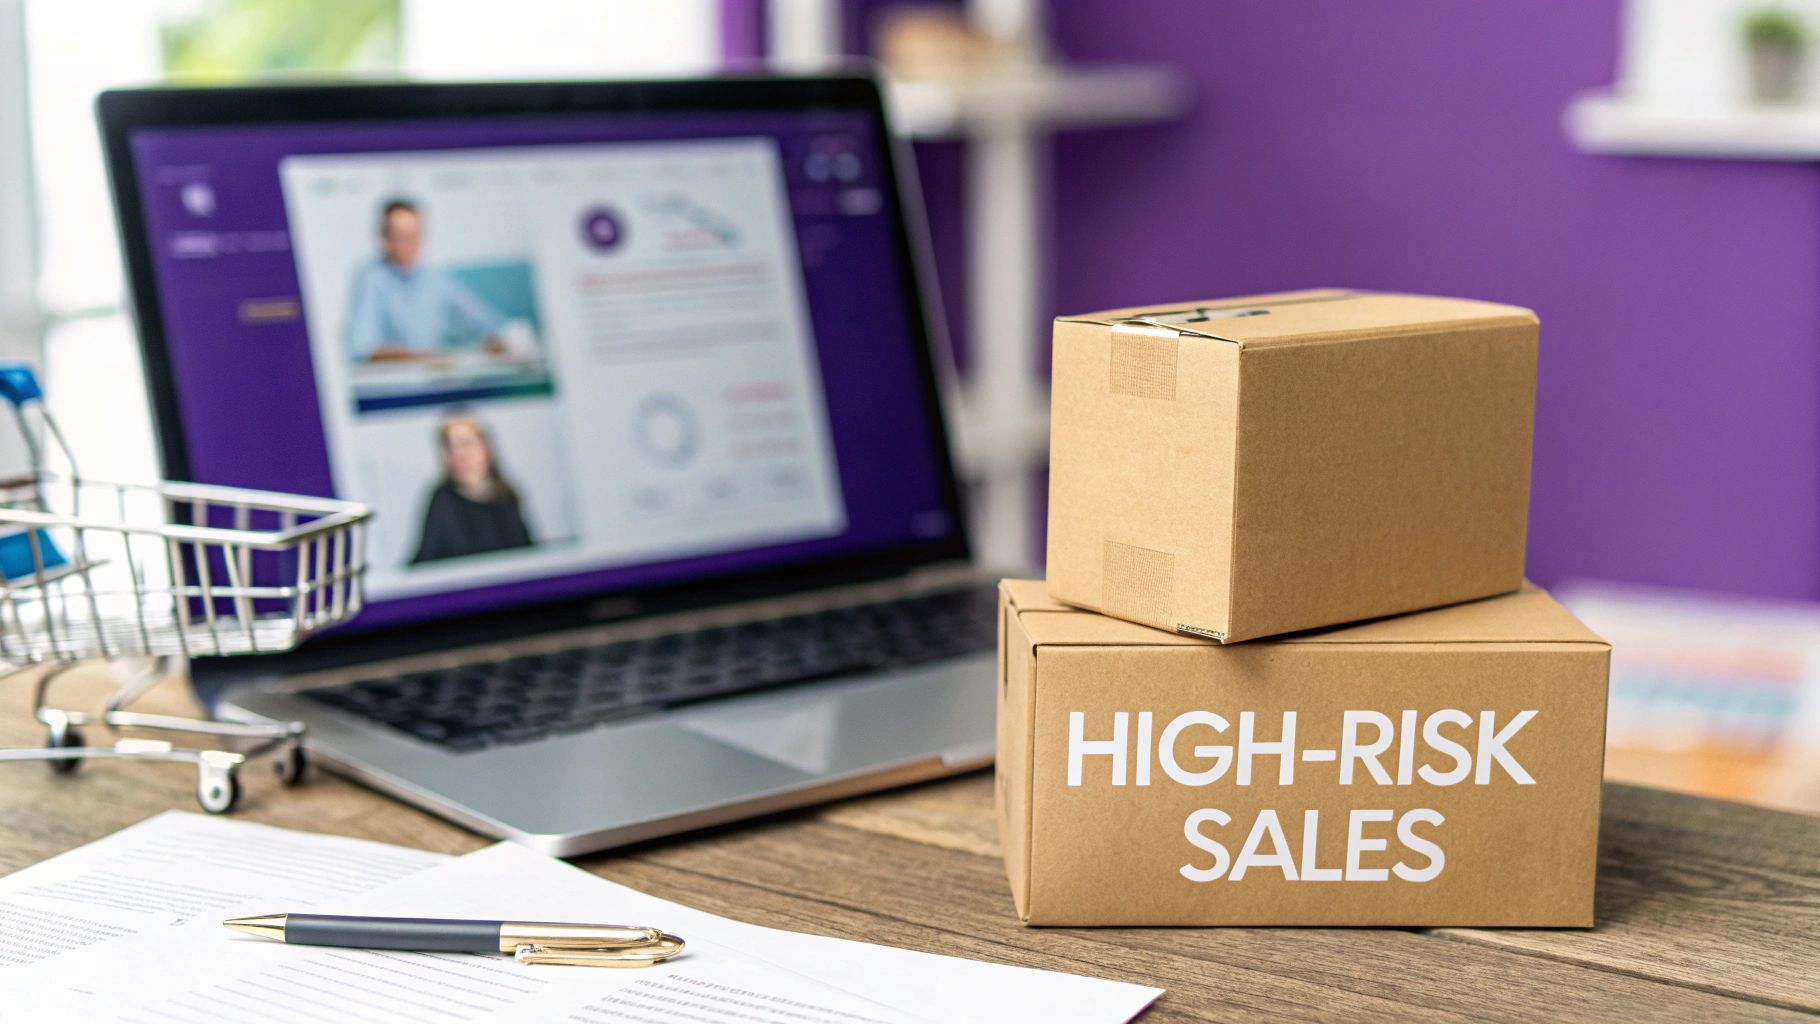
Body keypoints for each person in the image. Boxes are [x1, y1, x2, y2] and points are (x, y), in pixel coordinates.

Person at [345, 199, 508, 363]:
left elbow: (487, 323)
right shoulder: (372, 279)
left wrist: (497, 340)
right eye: (401, 236)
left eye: (415, 235)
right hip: (394, 383)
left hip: (437, 379)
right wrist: (426, 358)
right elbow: (364, 348)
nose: (410, 244)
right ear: (384, 238)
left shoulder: (436, 278)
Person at [410, 413, 534, 565]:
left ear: (486, 448)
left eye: (466, 444)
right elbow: (425, 562)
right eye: (450, 448)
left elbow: (529, 554)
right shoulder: (442, 501)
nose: (459, 455)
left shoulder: (506, 496)